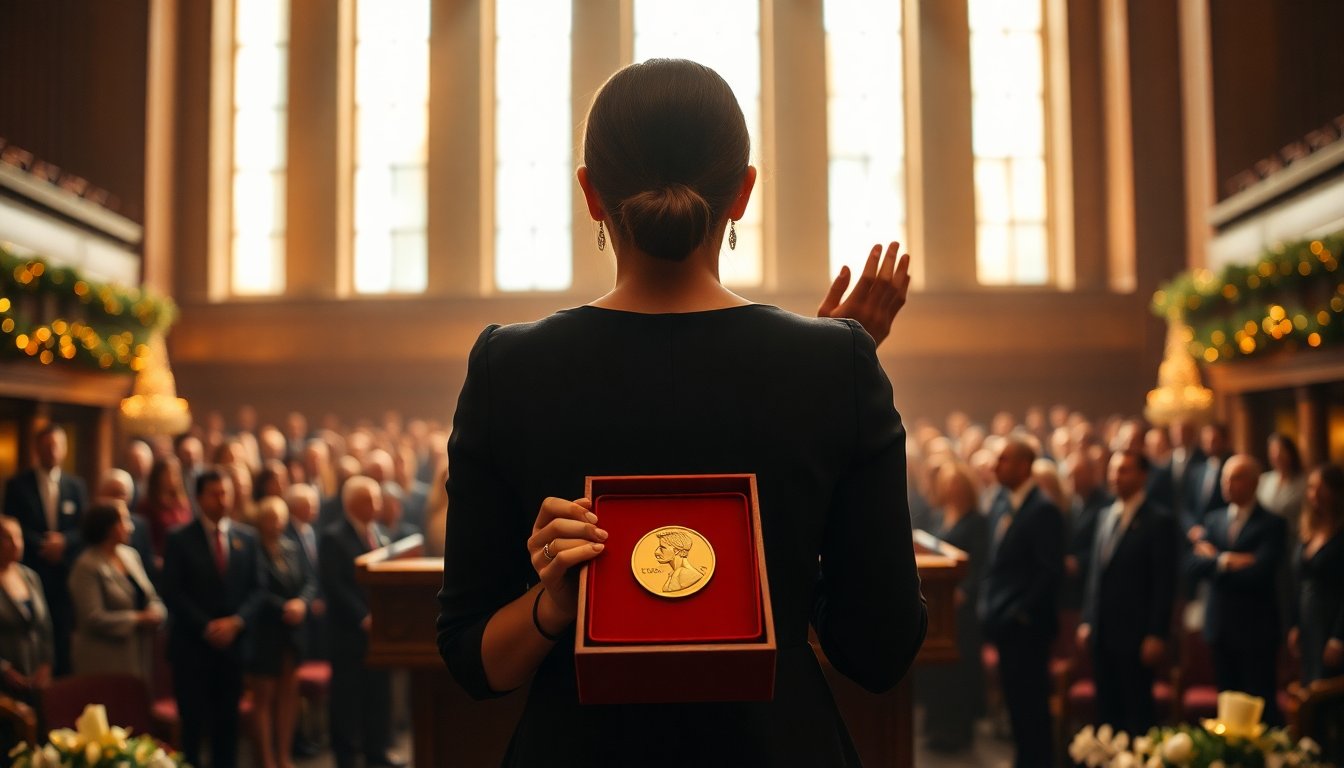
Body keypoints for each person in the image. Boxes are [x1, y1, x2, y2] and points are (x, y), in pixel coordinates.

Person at [436, 58, 924, 767]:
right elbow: (879, 650)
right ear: (744, 192)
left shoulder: (508, 368)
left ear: (590, 195)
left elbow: (472, 660)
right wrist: (833, 386)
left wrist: (553, 606)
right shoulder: (834, 369)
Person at [161, 469, 267, 768]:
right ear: (199, 498)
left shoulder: (246, 537)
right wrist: (206, 626)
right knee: (193, 729)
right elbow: (173, 592)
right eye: (215, 494)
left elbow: (258, 589)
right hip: (193, 648)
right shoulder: (180, 538)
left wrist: (237, 622)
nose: (223, 500)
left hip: (232, 650)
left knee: (227, 729)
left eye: (226, 493)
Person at [1076, 450, 1178, 736]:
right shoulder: (1105, 515)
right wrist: (1087, 619)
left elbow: (1163, 582)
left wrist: (1157, 633)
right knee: (1107, 714)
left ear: (1143, 475)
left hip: (1137, 634)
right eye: (1112, 470)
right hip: (1103, 631)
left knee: (1136, 713)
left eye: (1124, 470)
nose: (1115, 477)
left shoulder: (1159, 520)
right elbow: (1096, 576)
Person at [979, 436, 1063, 768]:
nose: (996, 466)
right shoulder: (1002, 503)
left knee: (1032, 708)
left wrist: (1020, 613)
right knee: (1016, 705)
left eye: (1004, 460)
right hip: (1004, 623)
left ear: (1025, 465)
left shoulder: (1043, 510)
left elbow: (1048, 572)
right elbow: (997, 565)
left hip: (1027, 627)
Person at [1185, 454, 1286, 724]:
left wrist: (1214, 562)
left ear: (1254, 483)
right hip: (1221, 626)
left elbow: (1260, 573)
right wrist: (1227, 560)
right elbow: (1192, 565)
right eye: (1225, 478)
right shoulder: (1214, 520)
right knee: (1226, 711)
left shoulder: (1272, 523)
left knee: (1259, 710)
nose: (1227, 483)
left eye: (1236, 477)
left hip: (1256, 629)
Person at [320, 476, 401, 768]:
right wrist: (362, 617)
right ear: (353, 502)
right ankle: (347, 758)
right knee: (347, 700)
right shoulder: (333, 537)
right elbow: (335, 585)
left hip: (378, 634)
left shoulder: (379, 533)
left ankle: (376, 753)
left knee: (377, 696)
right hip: (348, 634)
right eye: (371, 499)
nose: (378, 505)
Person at [3, 423, 88, 676]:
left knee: (61, 633)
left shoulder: (76, 486)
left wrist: (63, 542)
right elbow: (11, 525)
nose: (52, 451)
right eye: (47, 445)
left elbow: (83, 528)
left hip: (65, 573)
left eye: (57, 445)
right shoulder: (18, 484)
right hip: (31, 565)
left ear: (63, 449)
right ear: (37, 448)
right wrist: (43, 544)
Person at [915, 462, 987, 752]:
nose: (952, 489)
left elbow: (980, 563)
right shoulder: (937, 516)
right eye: (948, 484)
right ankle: (937, 727)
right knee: (937, 671)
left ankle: (956, 731)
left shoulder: (977, 521)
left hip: (961, 609)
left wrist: (965, 592)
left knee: (958, 670)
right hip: (939, 607)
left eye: (957, 484)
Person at [248, 496, 316, 768]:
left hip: (292, 632)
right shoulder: (252, 551)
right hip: (265, 631)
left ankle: (284, 755)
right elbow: (257, 590)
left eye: (279, 519)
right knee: (264, 695)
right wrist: (284, 608)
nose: (275, 525)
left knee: (289, 694)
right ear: (261, 522)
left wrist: (302, 603)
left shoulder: (291, 548)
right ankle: (266, 759)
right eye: (270, 519)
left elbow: (310, 580)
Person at [67, 503, 164, 685]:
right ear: (108, 527)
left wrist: (156, 611)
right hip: (103, 659)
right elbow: (92, 617)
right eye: (124, 520)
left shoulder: (130, 555)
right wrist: (138, 619)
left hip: (137, 655)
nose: (131, 526)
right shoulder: (86, 566)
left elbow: (150, 595)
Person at [1287, 464, 1344, 685]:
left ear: (1336, 492)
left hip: (1332, 621)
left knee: (1328, 689)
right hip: (1309, 621)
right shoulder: (1308, 531)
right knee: (1309, 687)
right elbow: (1298, 582)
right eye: (1311, 488)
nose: (1315, 494)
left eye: (1322, 488)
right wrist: (1295, 624)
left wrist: (1339, 638)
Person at [0, 516, 53, 706]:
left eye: (19, 537)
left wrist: (46, 664)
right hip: (7, 680)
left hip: (36, 675)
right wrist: (4, 669)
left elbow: (45, 625)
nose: (16, 544)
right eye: (8, 538)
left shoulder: (30, 576)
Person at [139, 457, 193, 559]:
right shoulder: (148, 505)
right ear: (158, 476)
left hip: (184, 557)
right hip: (161, 558)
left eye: (176, 473)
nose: (173, 477)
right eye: (168, 473)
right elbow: (144, 538)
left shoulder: (182, 502)